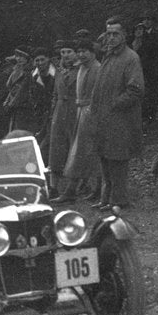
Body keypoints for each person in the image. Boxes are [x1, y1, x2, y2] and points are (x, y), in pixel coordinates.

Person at [90, 18, 144, 210]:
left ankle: (118, 200)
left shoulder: (131, 58)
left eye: (115, 34)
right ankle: (106, 199)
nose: (111, 38)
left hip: (121, 119)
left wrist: (114, 104)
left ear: (124, 35)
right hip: (104, 118)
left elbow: (135, 90)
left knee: (117, 160)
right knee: (105, 157)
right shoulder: (109, 56)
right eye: (108, 34)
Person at [63, 39, 102, 202]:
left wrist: (92, 112)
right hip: (80, 111)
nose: (81, 54)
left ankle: (96, 188)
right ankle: (74, 188)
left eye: (84, 51)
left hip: (91, 112)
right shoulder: (81, 68)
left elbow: (99, 94)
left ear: (92, 53)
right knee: (78, 150)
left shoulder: (97, 68)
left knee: (90, 151)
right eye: (79, 51)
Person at [47, 42, 78, 201]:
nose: (65, 55)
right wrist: (53, 111)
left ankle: (71, 188)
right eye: (63, 52)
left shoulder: (81, 70)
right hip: (59, 112)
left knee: (74, 147)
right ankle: (53, 187)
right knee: (56, 148)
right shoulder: (58, 71)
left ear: (76, 53)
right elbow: (54, 93)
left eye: (69, 51)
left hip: (75, 110)